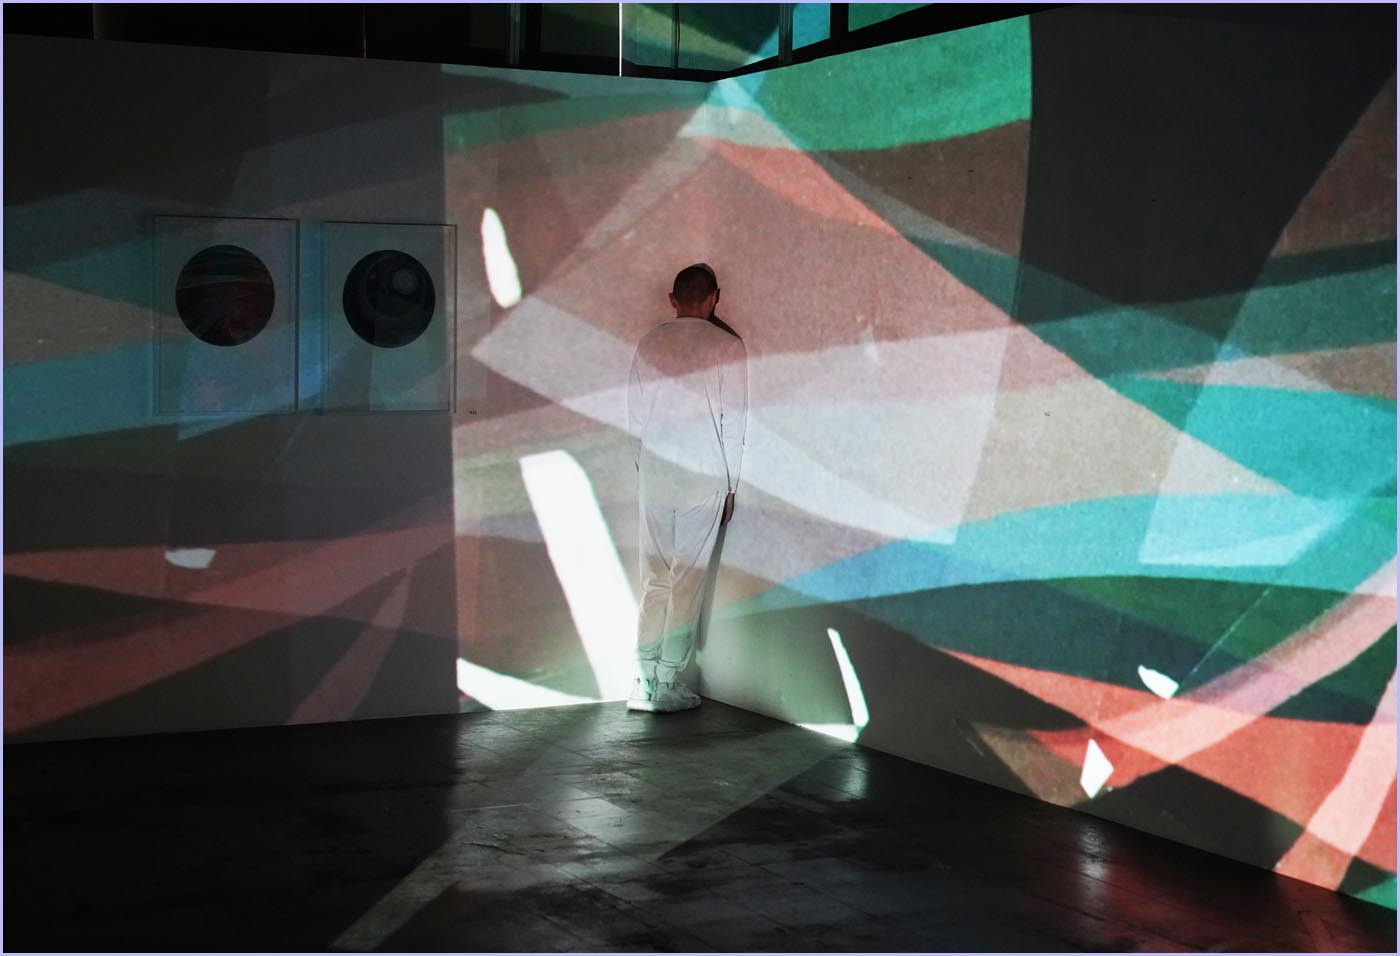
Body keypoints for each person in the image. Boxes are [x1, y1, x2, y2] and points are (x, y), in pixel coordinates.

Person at [625, 263, 748, 713]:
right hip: (703, 474)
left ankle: (643, 679)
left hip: (656, 473)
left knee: (654, 578)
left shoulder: (650, 342)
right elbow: (733, 424)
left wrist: (644, 467)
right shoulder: (727, 347)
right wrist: (732, 485)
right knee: (687, 580)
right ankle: (667, 680)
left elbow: (635, 417)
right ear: (714, 297)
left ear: (672, 300)